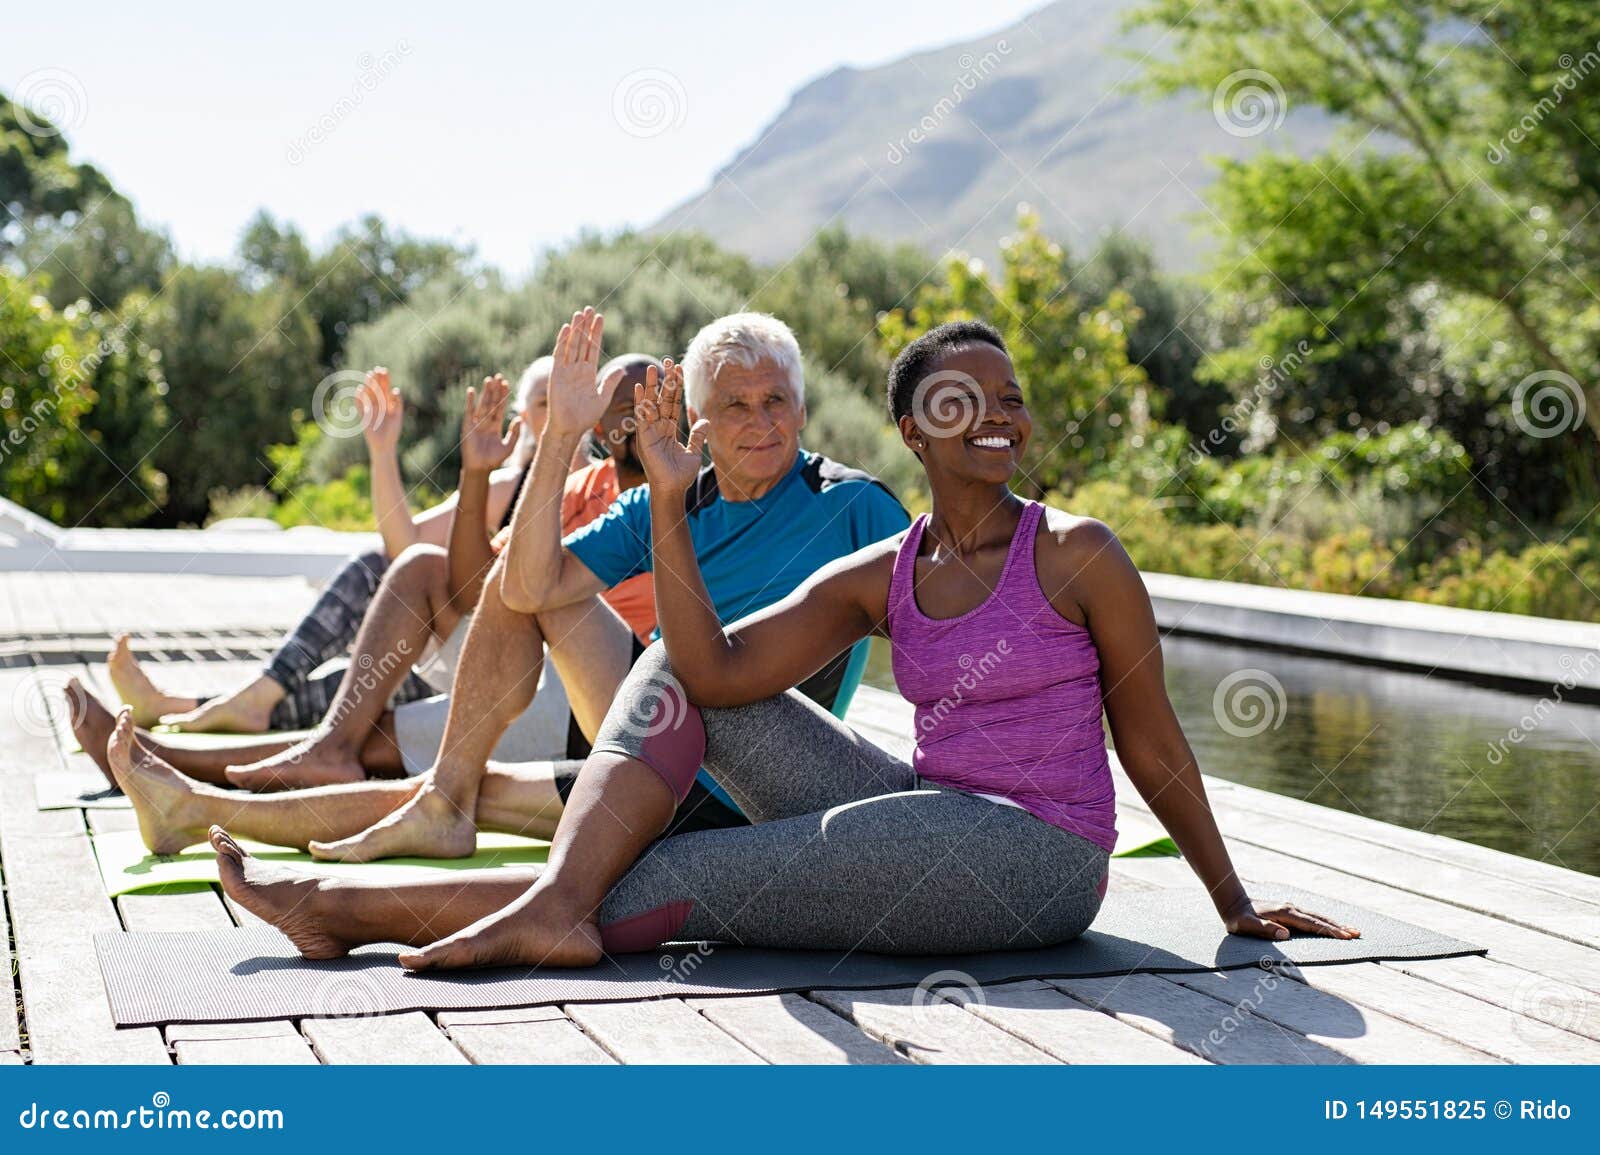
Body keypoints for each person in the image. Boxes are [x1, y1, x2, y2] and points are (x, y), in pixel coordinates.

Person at [198, 318, 1360, 969]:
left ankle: (351, 910)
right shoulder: (884, 569)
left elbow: (1150, 742)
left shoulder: (1078, 553)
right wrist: (663, 499)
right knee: (671, 668)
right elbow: (708, 680)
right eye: (963, 401)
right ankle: (437, 904)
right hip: (920, 812)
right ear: (913, 428)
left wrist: (1231, 897)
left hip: (1039, 862)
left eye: (1009, 400)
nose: (997, 418)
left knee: (673, 883)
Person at [92, 307, 909, 860]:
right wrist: (559, 434)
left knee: (450, 786)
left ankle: (230, 803)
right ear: (698, 422)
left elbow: (941, 622)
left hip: (746, 777)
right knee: (522, 611)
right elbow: (525, 583)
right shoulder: (671, 495)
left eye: (778, 401)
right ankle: (209, 807)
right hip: (647, 739)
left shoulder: (854, 506)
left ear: (802, 413)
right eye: (737, 405)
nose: (763, 421)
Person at [71, 359, 657, 791]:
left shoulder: (685, 502)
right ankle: (276, 739)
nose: (630, 425)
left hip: (586, 701)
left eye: (649, 410)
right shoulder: (572, 488)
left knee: (370, 732)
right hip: (517, 657)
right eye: (616, 415)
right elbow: (466, 588)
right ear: (595, 427)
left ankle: (157, 754)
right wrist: (474, 473)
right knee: (411, 576)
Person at [106, 363, 556, 735]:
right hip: (453, 654)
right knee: (360, 627)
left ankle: (184, 704)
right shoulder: (506, 486)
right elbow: (403, 551)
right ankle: (190, 703)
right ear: (522, 418)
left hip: (511, 671)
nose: (557, 409)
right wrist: (382, 451)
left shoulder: (594, 488)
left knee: (354, 688)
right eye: (543, 401)